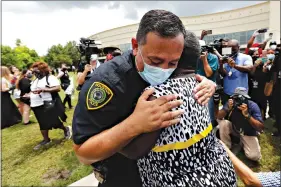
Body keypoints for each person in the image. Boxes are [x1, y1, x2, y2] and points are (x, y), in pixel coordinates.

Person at [72, 10, 216, 187]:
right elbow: (83, 153)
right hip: (122, 177)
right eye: (155, 61)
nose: (164, 71)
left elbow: (185, 77)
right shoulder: (108, 82)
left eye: (173, 63)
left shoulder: (171, 70)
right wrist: (134, 124)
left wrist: (207, 84)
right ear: (135, 46)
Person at [123, 30, 237, 187]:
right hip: (219, 173)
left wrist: (113, 137)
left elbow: (135, 151)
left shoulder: (159, 96)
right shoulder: (201, 86)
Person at [28, 62, 72, 150]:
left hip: (47, 103)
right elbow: (33, 90)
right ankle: (46, 139)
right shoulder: (35, 80)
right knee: (42, 123)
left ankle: (66, 129)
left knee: (54, 122)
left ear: (43, 70)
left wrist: (44, 89)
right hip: (36, 104)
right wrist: (28, 95)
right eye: (34, 71)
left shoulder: (50, 78)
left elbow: (57, 88)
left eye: (37, 71)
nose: (35, 73)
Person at [216, 87, 264, 161]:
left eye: (241, 98)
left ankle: (242, 143)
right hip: (235, 128)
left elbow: (260, 127)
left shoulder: (253, 106)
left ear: (246, 98)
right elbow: (219, 116)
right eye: (236, 97)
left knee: (254, 156)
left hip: (248, 133)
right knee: (223, 123)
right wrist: (227, 109)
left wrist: (248, 115)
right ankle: (227, 147)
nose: (238, 100)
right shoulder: (231, 103)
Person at [219, 39, 253, 105]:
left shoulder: (245, 57)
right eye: (229, 49)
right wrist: (220, 64)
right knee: (227, 114)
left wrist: (234, 66)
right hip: (227, 93)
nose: (231, 51)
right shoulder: (225, 58)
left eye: (234, 49)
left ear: (238, 47)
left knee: (240, 113)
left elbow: (249, 68)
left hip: (241, 93)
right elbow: (223, 74)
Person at [197, 40, 219, 125]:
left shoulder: (213, 57)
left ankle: (211, 126)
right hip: (197, 87)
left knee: (209, 112)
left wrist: (204, 59)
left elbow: (209, 74)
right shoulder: (194, 57)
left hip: (208, 88)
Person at [264, 48, 280, 136]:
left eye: (272, 53)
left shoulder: (277, 61)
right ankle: (277, 123)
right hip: (272, 87)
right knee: (274, 106)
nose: (270, 54)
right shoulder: (268, 62)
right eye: (268, 53)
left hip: (276, 86)